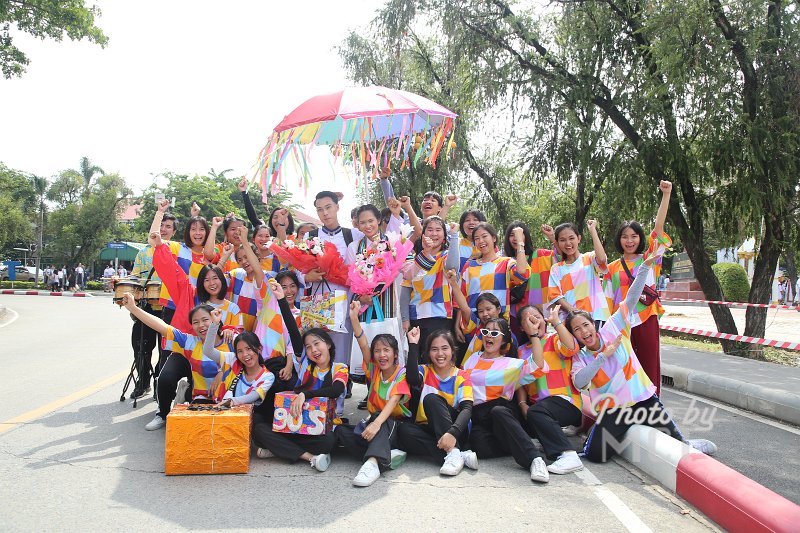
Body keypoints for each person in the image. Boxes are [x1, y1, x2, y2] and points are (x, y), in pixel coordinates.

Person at [567, 250, 717, 462]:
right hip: (614, 409)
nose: (584, 332)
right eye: (577, 330)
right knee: (594, 455)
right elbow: (580, 381)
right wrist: (603, 356)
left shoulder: (613, 328)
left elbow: (631, 299)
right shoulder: (580, 357)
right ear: (574, 335)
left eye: (585, 325)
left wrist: (645, 267)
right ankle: (605, 435)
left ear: (593, 324)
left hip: (642, 400)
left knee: (677, 443)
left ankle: (690, 444)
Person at [250, 283, 349, 472]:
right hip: (294, 423)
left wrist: (306, 394)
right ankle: (309, 457)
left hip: (321, 429)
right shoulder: (305, 366)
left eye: (317, 344)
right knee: (259, 429)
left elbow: (336, 390)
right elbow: (293, 331)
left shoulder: (340, 368)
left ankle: (280, 449)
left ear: (328, 344)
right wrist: (281, 300)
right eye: (309, 347)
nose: (313, 350)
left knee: (328, 441)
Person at [120, 295, 232, 431]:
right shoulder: (190, 342)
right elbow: (162, 326)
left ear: (216, 319)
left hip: (230, 399)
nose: (201, 325)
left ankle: (184, 392)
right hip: (202, 398)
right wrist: (133, 308)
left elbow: (247, 363)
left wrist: (222, 372)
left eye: (205, 320)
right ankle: (167, 410)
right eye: (195, 322)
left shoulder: (231, 340)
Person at [461, 317, 551, 483]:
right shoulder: (472, 358)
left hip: (500, 411)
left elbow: (538, 365)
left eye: (495, 333)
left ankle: (535, 459)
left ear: (504, 340)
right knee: (478, 445)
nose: (489, 336)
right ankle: (520, 440)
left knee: (498, 412)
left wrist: (534, 336)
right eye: (486, 332)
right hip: (477, 416)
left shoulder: (511, 364)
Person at [606, 181, 673, 396]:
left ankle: (652, 404)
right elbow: (609, 298)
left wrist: (666, 195)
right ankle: (628, 404)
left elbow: (659, 231)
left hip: (646, 318)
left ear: (640, 238)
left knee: (648, 362)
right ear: (619, 240)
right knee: (624, 364)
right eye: (625, 236)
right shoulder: (612, 268)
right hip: (621, 322)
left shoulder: (650, 259)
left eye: (634, 236)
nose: (629, 240)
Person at [334, 302, 411, 487]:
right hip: (373, 423)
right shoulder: (374, 369)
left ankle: (373, 463)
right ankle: (388, 454)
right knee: (338, 431)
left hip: (395, 425)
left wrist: (376, 423)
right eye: (377, 351)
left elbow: (393, 403)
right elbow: (362, 344)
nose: (381, 355)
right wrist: (353, 317)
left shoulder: (402, 374)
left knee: (377, 420)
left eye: (386, 350)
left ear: (394, 354)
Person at [397, 328, 478, 476]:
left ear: (453, 351)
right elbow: (412, 378)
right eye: (434, 349)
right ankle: (458, 454)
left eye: (444, 348)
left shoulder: (462, 375)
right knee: (404, 431)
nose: (440, 354)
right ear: (428, 353)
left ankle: (452, 451)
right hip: (430, 428)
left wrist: (453, 433)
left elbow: (467, 409)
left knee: (431, 399)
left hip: (456, 428)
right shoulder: (425, 370)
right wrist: (413, 344)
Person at [515, 304, 583, 474]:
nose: (534, 322)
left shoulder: (554, 339)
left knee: (536, 412)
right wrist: (522, 404)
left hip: (565, 401)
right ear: (522, 328)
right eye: (528, 320)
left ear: (545, 320)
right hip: (538, 407)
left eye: (537, 317)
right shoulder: (521, 351)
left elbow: (572, 347)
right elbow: (520, 382)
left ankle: (568, 455)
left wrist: (557, 322)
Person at [127, 208, 178, 399]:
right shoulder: (143, 252)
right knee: (140, 346)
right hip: (146, 308)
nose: (163, 229)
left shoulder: (176, 251)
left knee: (166, 350)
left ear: (174, 232)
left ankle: (160, 385)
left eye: (168, 227)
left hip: (168, 308)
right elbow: (134, 277)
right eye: (161, 225)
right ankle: (143, 382)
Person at [400, 217, 461, 358]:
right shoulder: (412, 259)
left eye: (438, 230)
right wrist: (405, 319)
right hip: (416, 318)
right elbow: (405, 290)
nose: (434, 233)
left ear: (444, 237)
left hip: (440, 317)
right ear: (423, 235)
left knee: (439, 359)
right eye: (430, 229)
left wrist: (454, 235)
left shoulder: (445, 256)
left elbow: (453, 266)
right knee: (419, 361)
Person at [203, 309, 275, 405]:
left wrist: (231, 402)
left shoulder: (267, 376)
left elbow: (253, 396)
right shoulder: (232, 360)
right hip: (221, 412)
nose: (245, 354)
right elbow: (208, 351)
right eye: (240, 351)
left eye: (249, 349)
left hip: (246, 417)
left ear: (259, 349)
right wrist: (214, 324)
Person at [547, 219, 610, 326]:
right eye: (562, 240)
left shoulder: (589, 258)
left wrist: (593, 231)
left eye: (571, 238)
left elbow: (602, 259)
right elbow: (555, 295)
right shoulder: (556, 269)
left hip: (597, 316)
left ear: (579, 238)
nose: (568, 243)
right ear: (557, 243)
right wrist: (574, 312)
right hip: (572, 322)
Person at [502, 221, 558, 336]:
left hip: (539, 314)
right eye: (512, 235)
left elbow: (562, 259)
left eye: (519, 234)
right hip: (514, 314)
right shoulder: (504, 261)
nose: (516, 238)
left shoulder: (540, 255)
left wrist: (552, 237)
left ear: (526, 236)